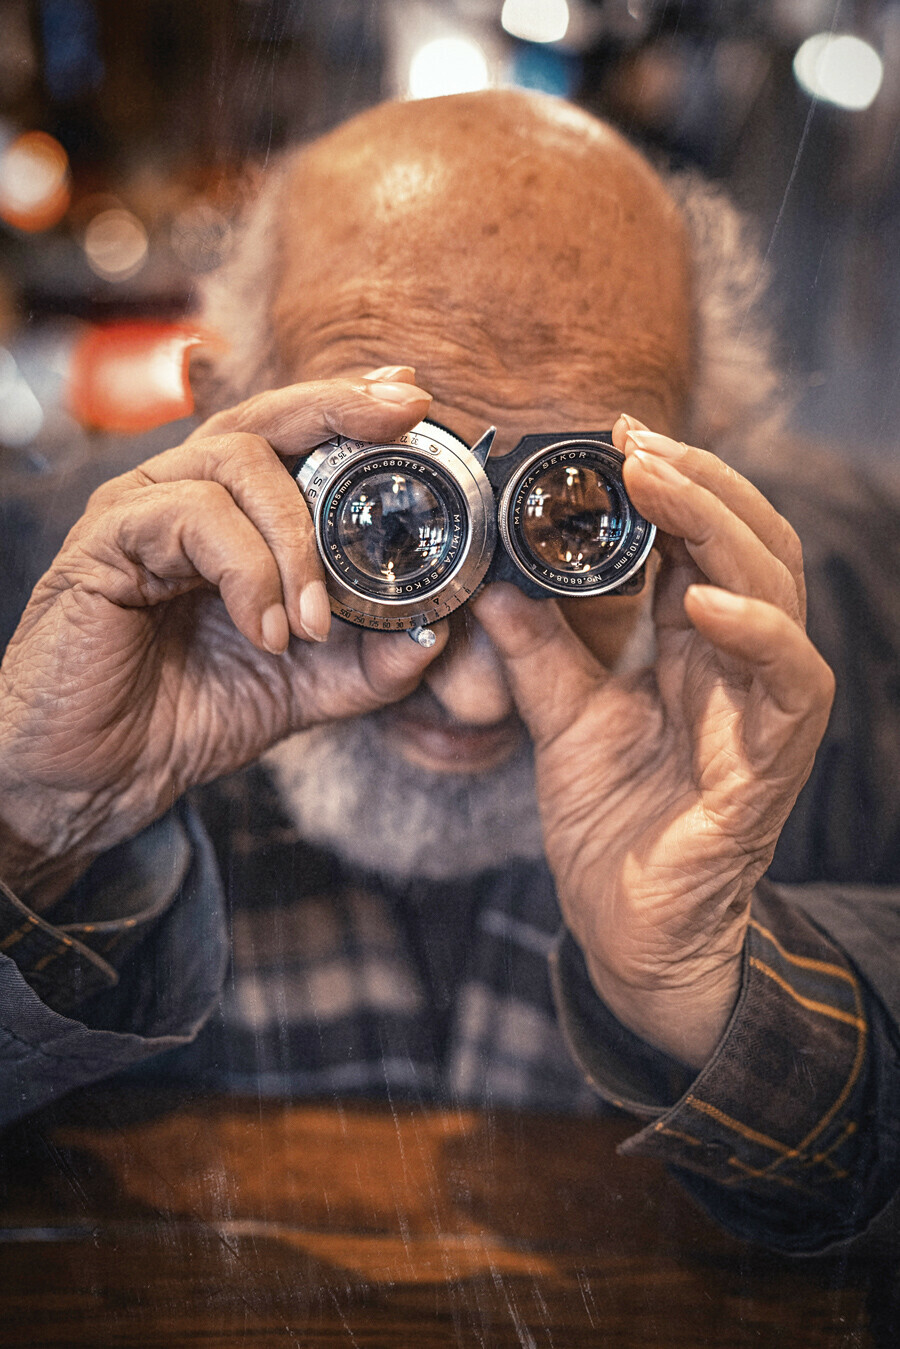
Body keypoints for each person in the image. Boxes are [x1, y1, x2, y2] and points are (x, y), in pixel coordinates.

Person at [0, 89, 898, 1254]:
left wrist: (720, 982)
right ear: (225, 410)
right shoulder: (46, 599)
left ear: (701, 457)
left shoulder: (863, 614)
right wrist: (36, 827)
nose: (474, 693)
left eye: (576, 520)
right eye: (386, 513)